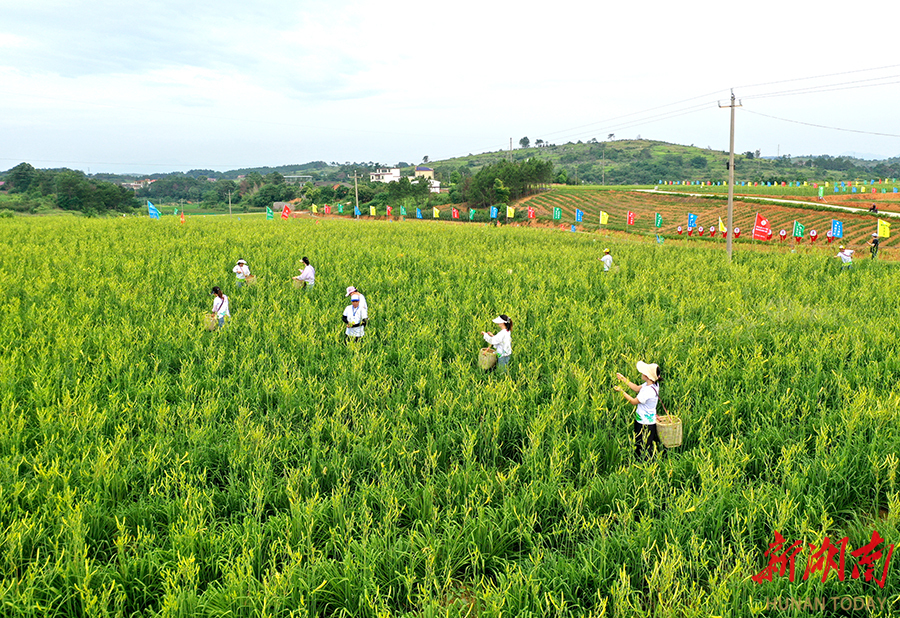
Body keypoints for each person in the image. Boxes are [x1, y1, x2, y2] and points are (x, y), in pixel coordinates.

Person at [614, 361, 661, 460]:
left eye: (644, 372)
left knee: (642, 446)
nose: (642, 373)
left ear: (648, 376)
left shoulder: (648, 391)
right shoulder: (651, 385)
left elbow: (633, 401)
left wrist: (621, 391)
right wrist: (623, 379)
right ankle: (645, 461)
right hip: (647, 420)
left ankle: (644, 463)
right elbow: (636, 388)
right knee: (645, 444)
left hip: (644, 423)